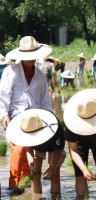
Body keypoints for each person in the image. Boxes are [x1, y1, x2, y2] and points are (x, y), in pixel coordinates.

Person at [0, 36, 52, 195]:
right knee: (19, 151)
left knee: (33, 156)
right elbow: (3, 96)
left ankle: (28, 188)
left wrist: (49, 122)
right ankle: (15, 187)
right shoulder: (11, 72)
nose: (31, 60)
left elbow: (45, 102)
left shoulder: (40, 75)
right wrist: (3, 115)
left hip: (36, 121)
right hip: (15, 119)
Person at [63, 89, 96, 199]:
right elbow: (73, 150)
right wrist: (84, 169)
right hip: (80, 142)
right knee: (80, 176)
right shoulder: (71, 124)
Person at [6, 109, 66, 198]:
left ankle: (55, 197)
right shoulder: (28, 127)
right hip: (39, 147)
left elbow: (58, 151)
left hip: (54, 145)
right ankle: (37, 198)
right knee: (35, 175)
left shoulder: (55, 130)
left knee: (54, 175)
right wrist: (31, 164)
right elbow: (29, 149)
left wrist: (52, 168)